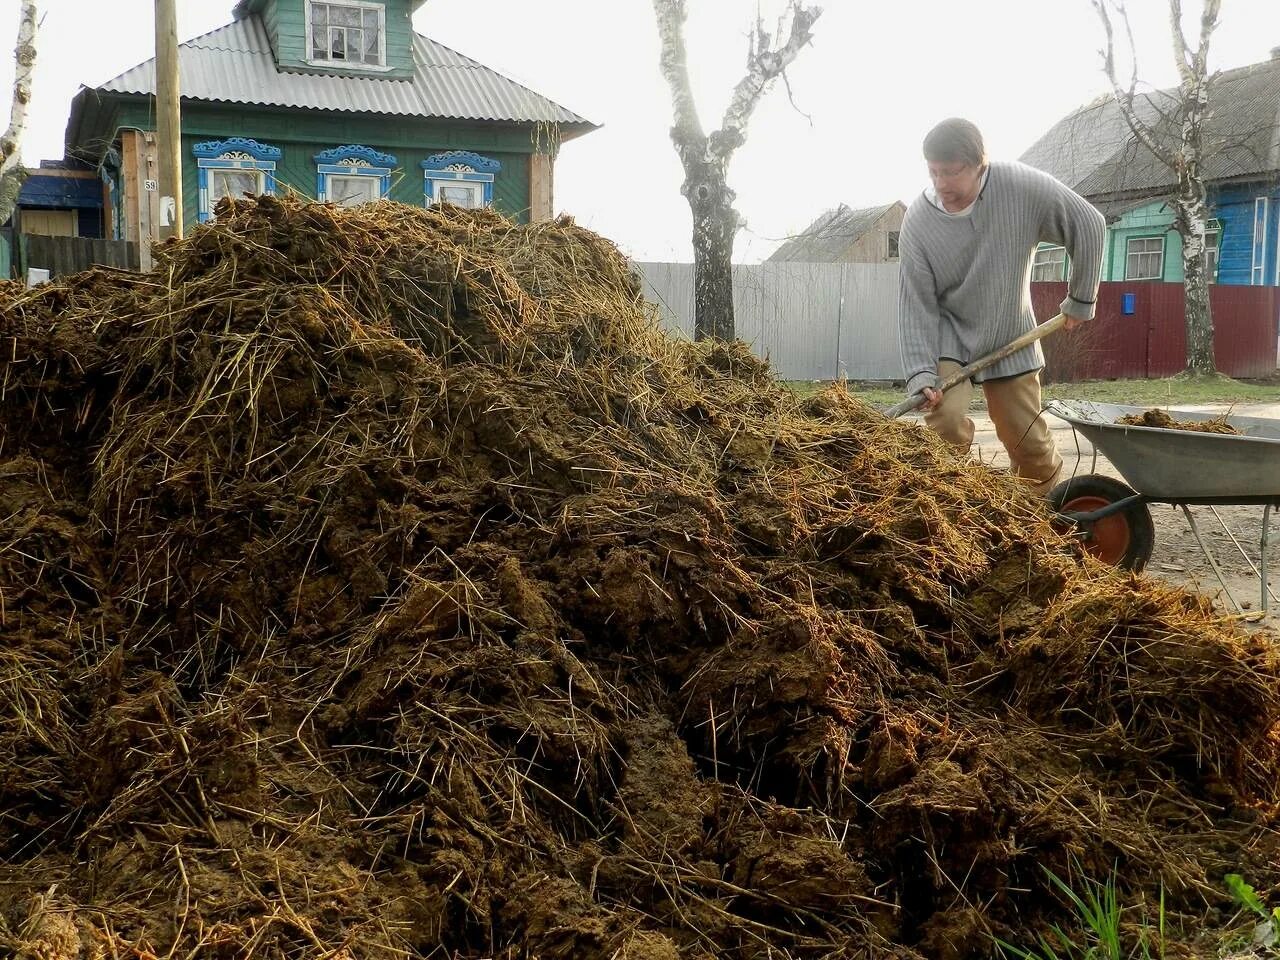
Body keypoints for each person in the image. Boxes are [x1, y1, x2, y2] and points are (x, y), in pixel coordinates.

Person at [898, 118, 1106, 496]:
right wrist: (920, 374)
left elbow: (1089, 223)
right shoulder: (918, 221)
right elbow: (915, 304)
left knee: (1027, 442)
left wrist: (1080, 298)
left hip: (1011, 330)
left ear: (981, 164)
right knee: (943, 421)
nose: (942, 184)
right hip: (951, 335)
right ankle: (951, 504)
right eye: (934, 172)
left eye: (953, 172)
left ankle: (1031, 516)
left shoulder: (1018, 187)